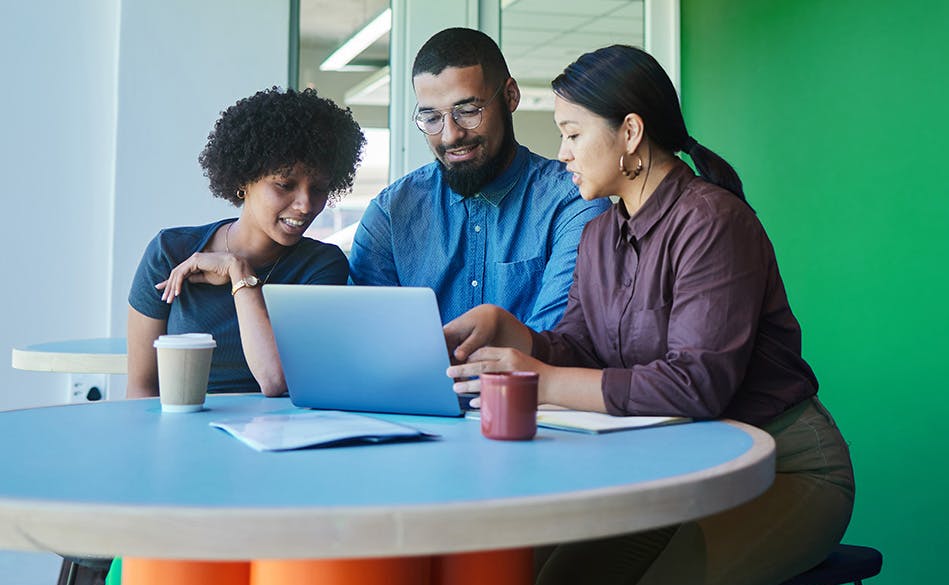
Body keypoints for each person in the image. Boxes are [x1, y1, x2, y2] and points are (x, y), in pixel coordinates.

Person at [443, 45, 855, 585]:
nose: (561, 153)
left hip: (782, 467)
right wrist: (510, 330)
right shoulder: (599, 235)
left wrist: (541, 381)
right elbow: (582, 351)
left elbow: (697, 385)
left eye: (572, 133)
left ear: (630, 133)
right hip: (682, 466)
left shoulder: (712, 222)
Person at [349, 27, 609, 331]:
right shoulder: (390, 214)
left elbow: (557, 339)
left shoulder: (573, 200)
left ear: (510, 96)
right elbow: (368, 339)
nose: (451, 135)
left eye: (468, 111)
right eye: (432, 118)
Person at [126, 87, 365, 398]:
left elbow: (275, 380)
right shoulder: (171, 252)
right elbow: (142, 386)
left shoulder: (321, 266)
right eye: (284, 185)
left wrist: (239, 274)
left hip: (281, 435)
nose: (306, 204)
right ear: (243, 180)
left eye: (318, 188)